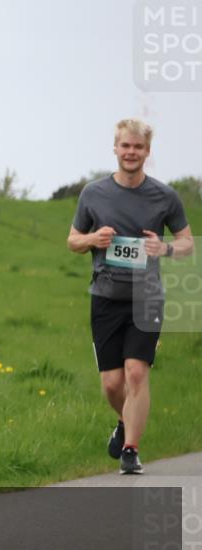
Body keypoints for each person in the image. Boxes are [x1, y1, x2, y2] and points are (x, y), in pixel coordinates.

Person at [67, 118, 193, 474]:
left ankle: (131, 450)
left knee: (136, 373)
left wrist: (164, 247)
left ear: (147, 151)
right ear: (116, 149)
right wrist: (93, 240)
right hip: (105, 296)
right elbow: (73, 240)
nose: (132, 152)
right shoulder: (93, 193)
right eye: (126, 146)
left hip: (147, 297)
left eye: (138, 147)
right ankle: (126, 421)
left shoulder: (165, 196)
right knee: (112, 383)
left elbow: (187, 243)